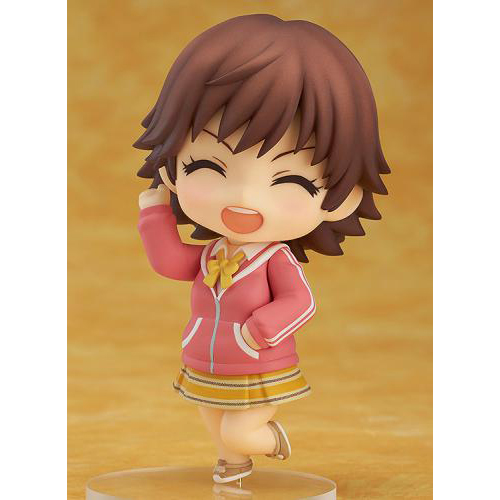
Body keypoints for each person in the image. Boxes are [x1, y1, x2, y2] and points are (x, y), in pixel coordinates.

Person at [135, 13, 390, 484]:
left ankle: (268, 441)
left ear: (342, 198)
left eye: (290, 180)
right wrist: (154, 215)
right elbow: (171, 262)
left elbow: (301, 301)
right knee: (212, 418)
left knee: (239, 428)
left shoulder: (273, 259)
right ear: (172, 166)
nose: (244, 199)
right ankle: (232, 468)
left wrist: (259, 330)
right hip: (205, 357)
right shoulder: (212, 253)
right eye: (209, 166)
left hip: (257, 362)